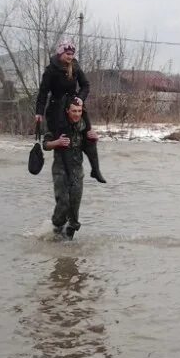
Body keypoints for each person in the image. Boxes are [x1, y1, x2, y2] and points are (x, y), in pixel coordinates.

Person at [35, 41, 105, 183]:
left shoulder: (75, 66)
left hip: (75, 104)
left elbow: (85, 85)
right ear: (61, 53)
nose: (70, 57)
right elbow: (43, 93)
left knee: (90, 136)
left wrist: (80, 98)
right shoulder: (51, 70)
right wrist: (39, 113)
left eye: (72, 54)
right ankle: (69, 174)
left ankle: (95, 170)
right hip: (57, 108)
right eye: (68, 54)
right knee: (65, 140)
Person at [43, 97, 99, 239]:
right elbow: (45, 145)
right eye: (74, 111)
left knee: (74, 210)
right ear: (67, 111)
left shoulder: (83, 126)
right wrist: (58, 142)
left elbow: (87, 147)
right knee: (63, 203)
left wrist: (94, 139)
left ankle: (68, 246)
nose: (76, 114)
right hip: (60, 171)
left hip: (77, 172)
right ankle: (55, 231)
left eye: (79, 111)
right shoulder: (59, 124)